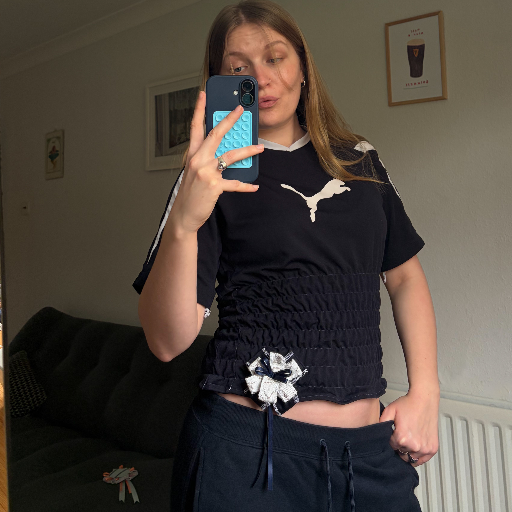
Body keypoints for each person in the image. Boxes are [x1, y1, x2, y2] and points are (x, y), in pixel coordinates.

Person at [133, 1, 440, 510]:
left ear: (302, 66)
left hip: (365, 457)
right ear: (220, 83)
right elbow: (166, 342)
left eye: (275, 57)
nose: (261, 78)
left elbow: (405, 277)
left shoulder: (360, 160)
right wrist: (185, 220)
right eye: (239, 69)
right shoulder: (210, 176)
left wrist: (426, 391)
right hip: (246, 457)